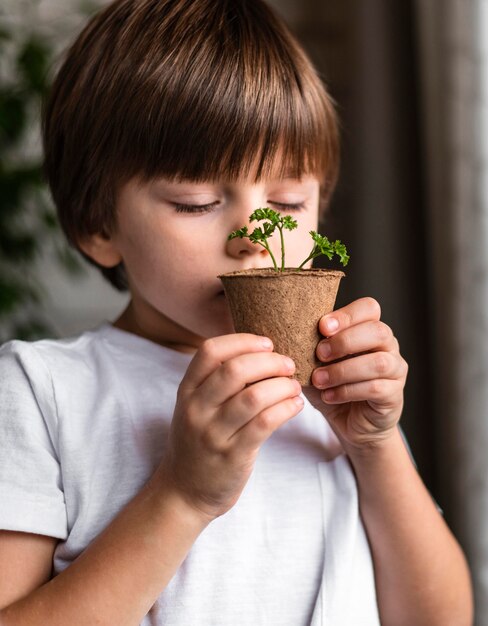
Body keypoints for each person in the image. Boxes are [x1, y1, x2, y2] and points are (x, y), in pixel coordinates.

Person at [0, 0, 473, 624]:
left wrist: (376, 447)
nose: (254, 233)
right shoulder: (41, 392)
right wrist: (182, 495)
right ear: (97, 225)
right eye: (196, 202)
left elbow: (441, 617)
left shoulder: (331, 396)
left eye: (287, 200)